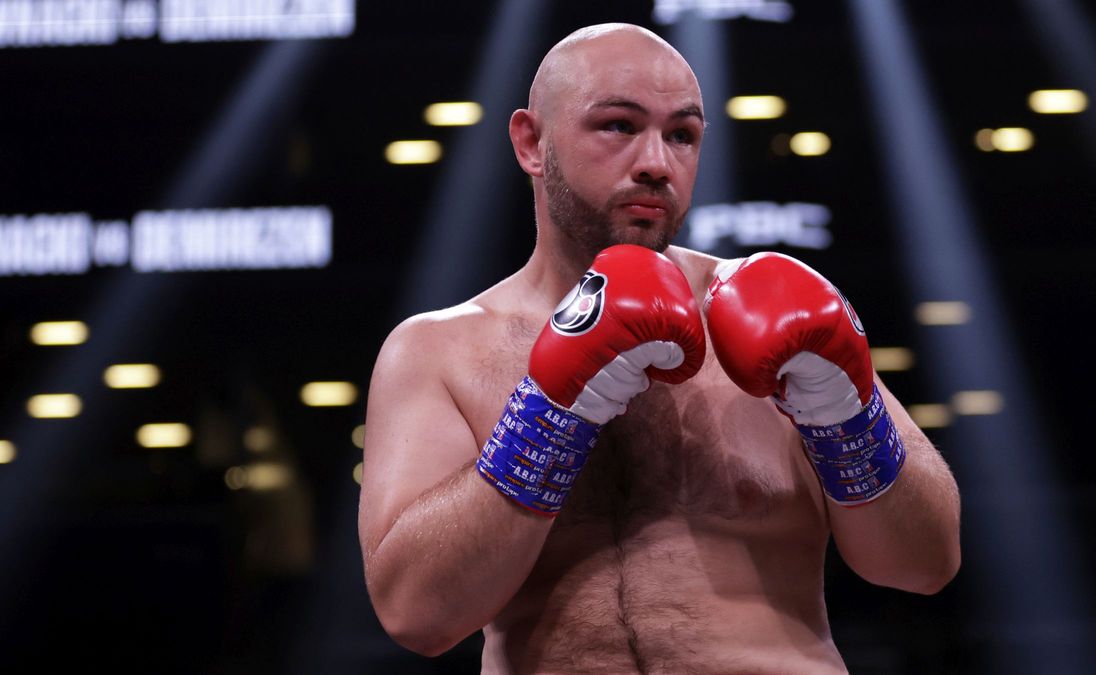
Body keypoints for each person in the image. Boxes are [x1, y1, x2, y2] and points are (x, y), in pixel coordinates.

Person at [358, 22, 961, 674]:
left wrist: (848, 409)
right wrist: (547, 413)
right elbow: (416, 614)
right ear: (531, 143)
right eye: (619, 125)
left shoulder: (767, 314)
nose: (656, 162)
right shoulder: (443, 350)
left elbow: (925, 563)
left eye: (682, 135)